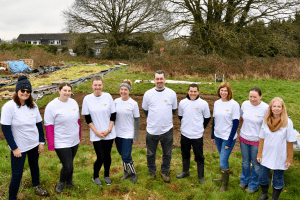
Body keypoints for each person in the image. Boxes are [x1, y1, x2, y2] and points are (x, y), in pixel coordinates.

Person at [1, 75, 49, 200]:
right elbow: (5, 129)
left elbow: (39, 125)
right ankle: (12, 197)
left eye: (28, 91)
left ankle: (36, 186)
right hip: (19, 147)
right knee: (17, 175)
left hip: (34, 144)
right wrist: (14, 148)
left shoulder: (33, 106)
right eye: (23, 90)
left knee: (34, 166)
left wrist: (41, 141)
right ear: (17, 91)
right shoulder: (9, 107)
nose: (25, 93)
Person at [44, 83, 81, 193]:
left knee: (70, 162)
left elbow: (77, 121)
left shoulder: (73, 102)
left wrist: (78, 136)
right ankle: (61, 182)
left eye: (69, 90)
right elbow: (49, 126)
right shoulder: (52, 106)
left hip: (74, 140)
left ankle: (69, 182)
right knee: (67, 165)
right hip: (61, 140)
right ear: (59, 91)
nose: (67, 93)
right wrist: (51, 145)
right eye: (64, 90)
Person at [142, 70, 177, 183]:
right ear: (154, 80)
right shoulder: (148, 94)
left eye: (161, 78)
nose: (159, 81)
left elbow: (173, 110)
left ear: (165, 79)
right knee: (150, 153)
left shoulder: (171, 93)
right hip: (152, 130)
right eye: (157, 79)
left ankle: (164, 171)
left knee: (167, 153)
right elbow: (145, 110)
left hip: (167, 130)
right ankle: (152, 172)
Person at [257, 97, 295, 200]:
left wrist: (289, 158)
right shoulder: (266, 121)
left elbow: (290, 141)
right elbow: (262, 138)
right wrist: (259, 153)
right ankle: (264, 194)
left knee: (278, 178)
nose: (276, 108)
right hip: (266, 154)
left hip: (280, 155)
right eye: (274, 106)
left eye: (279, 106)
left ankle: (274, 198)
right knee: (262, 176)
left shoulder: (287, 122)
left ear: (282, 108)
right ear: (271, 107)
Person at [82, 76, 116, 186]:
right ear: (92, 85)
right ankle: (95, 176)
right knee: (100, 156)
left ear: (102, 85)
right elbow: (88, 118)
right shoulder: (87, 99)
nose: (97, 87)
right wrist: (96, 132)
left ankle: (107, 175)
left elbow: (113, 115)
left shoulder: (108, 96)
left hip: (108, 133)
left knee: (107, 155)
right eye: (95, 85)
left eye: (99, 85)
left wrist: (109, 129)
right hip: (96, 134)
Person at [177, 84, 211, 184]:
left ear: (198, 92)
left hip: (197, 136)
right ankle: (185, 172)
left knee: (199, 156)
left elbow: (207, 118)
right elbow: (180, 116)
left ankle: (201, 177)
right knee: (185, 154)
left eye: (195, 91)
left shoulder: (203, 103)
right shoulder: (182, 102)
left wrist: (200, 128)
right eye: (191, 91)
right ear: (188, 92)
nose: (193, 93)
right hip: (185, 134)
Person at [239, 87, 268, 194]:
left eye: (255, 97)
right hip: (244, 138)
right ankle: (244, 180)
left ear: (260, 96)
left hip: (257, 140)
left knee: (256, 164)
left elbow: (267, 125)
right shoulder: (245, 104)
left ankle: (254, 185)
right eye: (250, 96)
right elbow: (242, 117)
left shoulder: (265, 108)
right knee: (245, 162)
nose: (252, 99)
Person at [211, 82, 240, 192]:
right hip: (218, 136)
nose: (223, 92)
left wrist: (229, 140)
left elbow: (236, 123)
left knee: (222, 160)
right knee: (223, 158)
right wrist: (213, 135)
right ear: (219, 91)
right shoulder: (217, 103)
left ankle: (224, 185)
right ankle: (223, 176)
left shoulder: (234, 105)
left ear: (229, 92)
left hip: (228, 137)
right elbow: (214, 120)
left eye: (226, 90)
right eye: (221, 90)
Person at [112, 79, 140, 184]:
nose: (123, 91)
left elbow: (137, 121)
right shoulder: (115, 102)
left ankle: (133, 173)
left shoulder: (133, 103)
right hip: (117, 133)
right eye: (121, 89)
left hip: (128, 133)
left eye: (125, 89)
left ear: (129, 90)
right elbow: (112, 117)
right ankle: (126, 172)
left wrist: (135, 136)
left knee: (126, 155)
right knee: (121, 154)